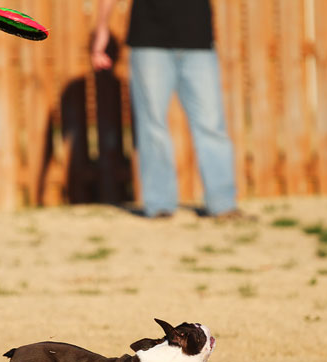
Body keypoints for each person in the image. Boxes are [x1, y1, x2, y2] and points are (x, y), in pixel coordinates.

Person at [91, 0, 243, 219]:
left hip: (198, 38)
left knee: (212, 125)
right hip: (148, 40)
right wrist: (102, 27)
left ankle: (223, 205)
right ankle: (159, 205)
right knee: (152, 126)